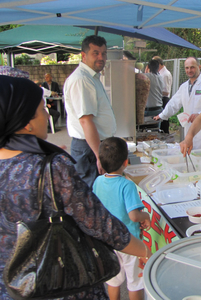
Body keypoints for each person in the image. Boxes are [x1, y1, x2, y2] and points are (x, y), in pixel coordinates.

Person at [0, 75, 150, 300]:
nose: (47, 115)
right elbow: (98, 223)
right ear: (26, 122)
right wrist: (143, 250)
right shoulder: (51, 168)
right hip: (59, 282)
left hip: (13, 286)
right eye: (42, 109)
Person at [93, 137, 151, 300]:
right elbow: (134, 216)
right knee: (135, 282)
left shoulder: (98, 182)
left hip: (108, 241)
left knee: (113, 281)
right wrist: (145, 216)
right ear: (126, 162)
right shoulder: (127, 185)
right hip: (129, 242)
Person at [64, 35, 117, 188]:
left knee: (99, 191)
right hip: (88, 148)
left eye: (104, 53)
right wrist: (98, 155)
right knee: (91, 193)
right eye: (96, 53)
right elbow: (85, 120)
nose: (101, 57)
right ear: (83, 55)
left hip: (94, 146)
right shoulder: (81, 79)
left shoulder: (91, 77)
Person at [154, 57, 201, 149]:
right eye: (187, 68)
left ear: (199, 67)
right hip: (189, 131)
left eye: (192, 67)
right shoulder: (184, 86)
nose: (189, 70)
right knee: (192, 159)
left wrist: (200, 115)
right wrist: (161, 116)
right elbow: (174, 104)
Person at [153, 56, 172, 133]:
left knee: (164, 122)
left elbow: (166, 91)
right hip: (161, 99)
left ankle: (166, 136)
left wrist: (154, 91)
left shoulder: (165, 74)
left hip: (164, 99)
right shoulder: (161, 73)